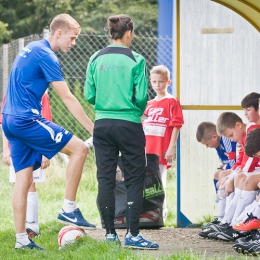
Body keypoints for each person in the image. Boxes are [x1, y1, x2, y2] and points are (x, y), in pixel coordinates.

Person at [1, 14, 96, 250]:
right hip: (26, 119)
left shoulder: (31, 48)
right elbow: (67, 96)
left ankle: (22, 240)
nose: (73, 43)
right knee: (80, 148)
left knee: (23, 179)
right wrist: (94, 128)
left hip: (9, 120)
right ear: (59, 33)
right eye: (72, 38)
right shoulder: (47, 55)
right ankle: (69, 209)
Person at [84, 14, 159, 249]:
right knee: (134, 179)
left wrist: (106, 103)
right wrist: (133, 110)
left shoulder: (95, 58)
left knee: (105, 180)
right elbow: (140, 98)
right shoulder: (136, 59)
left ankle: (109, 234)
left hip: (103, 125)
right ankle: (133, 235)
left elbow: (89, 95)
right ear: (129, 33)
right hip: (129, 125)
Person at [200, 112, 260, 242]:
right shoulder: (248, 131)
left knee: (241, 179)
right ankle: (226, 222)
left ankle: (235, 225)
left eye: (231, 135)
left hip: (252, 171)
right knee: (224, 176)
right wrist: (231, 176)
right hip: (249, 170)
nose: (231, 139)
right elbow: (240, 162)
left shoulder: (252, 130)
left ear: (238, 125)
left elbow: (248, 163)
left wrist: (231, 177)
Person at [1, 93, 52, 238]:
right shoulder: (10, 94)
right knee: (20, 183)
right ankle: (22, 229)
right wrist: (6, 148)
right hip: (17, 146)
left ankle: (32, 226)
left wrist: (45, 152)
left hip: (35, 145)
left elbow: (46, 122)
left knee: (30, 183)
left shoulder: (41, 94)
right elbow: (5, 121)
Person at [142, 65, 184, 222]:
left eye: (161, 81)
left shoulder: (172, 101)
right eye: (154, 82)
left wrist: (170, 147)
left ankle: (161, 212)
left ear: (168, 82)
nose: (157, 85)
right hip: (146, 149)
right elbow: (142, 125)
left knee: (159, 181)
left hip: (161, 150)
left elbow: (176, 124)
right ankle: (146, 212)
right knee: (145, 182)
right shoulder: (148, 104)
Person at [196, 121, 237, 224]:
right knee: (217, 174)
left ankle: (223, 217)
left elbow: (233, 161)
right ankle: (221, 210)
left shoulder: (225, 139)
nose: (207, 146)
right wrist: (222, 167)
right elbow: (224, 162)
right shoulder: (217, 145)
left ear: (214, 137)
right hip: (234, 167)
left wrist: (224, 168)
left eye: (207, 144)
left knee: (222, 175)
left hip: (238, 166)